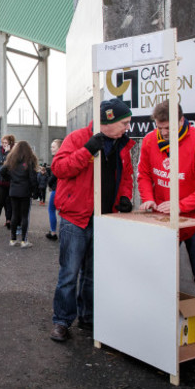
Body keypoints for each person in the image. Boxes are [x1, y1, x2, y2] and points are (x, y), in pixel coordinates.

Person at [49, 98, 135, 342]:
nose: (127, 128)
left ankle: (88, 317)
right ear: (108, 121)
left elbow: (127, 176)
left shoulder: (122, 145)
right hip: (76, 217)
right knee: (69, 273)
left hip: (104, 218)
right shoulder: (78, 138)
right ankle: (62, 321)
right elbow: (60, 169)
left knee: (93, 273)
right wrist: (87, 150)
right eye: (124, 123)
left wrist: (125, 197)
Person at [138, 100, 195, 326]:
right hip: (164, 218)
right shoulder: (149, 140)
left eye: (169, 128)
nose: (164, 133)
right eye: (160, 128)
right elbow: (144, 174)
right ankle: (161, 328)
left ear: (182, 120)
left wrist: (180, 205)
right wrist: (148, 198)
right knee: (159, 273)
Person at [0, 141, 38, 248]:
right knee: (24, 216)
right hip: (25, 192)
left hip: (13, 191)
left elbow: (1, 171)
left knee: (14, 215)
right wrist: (35, 191)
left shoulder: (11, 160)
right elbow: (33, 178)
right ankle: (24, 241)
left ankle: (13, 239)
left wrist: (10, 180)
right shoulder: (29, 160)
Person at [0, 135, 15, 230]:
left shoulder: (13, 153)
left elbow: (9, 165)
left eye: (6, 143)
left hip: (10, 183)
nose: (4, 145)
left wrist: (8, 152)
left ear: (10, 143)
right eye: (3, 143)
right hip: (0, 182)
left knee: (9, 203)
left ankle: (9, 220)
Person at [45, 139, 63, 240]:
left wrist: (49, 183)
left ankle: (53, 232)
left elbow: (54, 175)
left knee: (51, 210)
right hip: (63, 189)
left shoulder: (57, 159)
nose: (51, 149)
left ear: (59, 148)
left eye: (53, 147)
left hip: (56, 189)